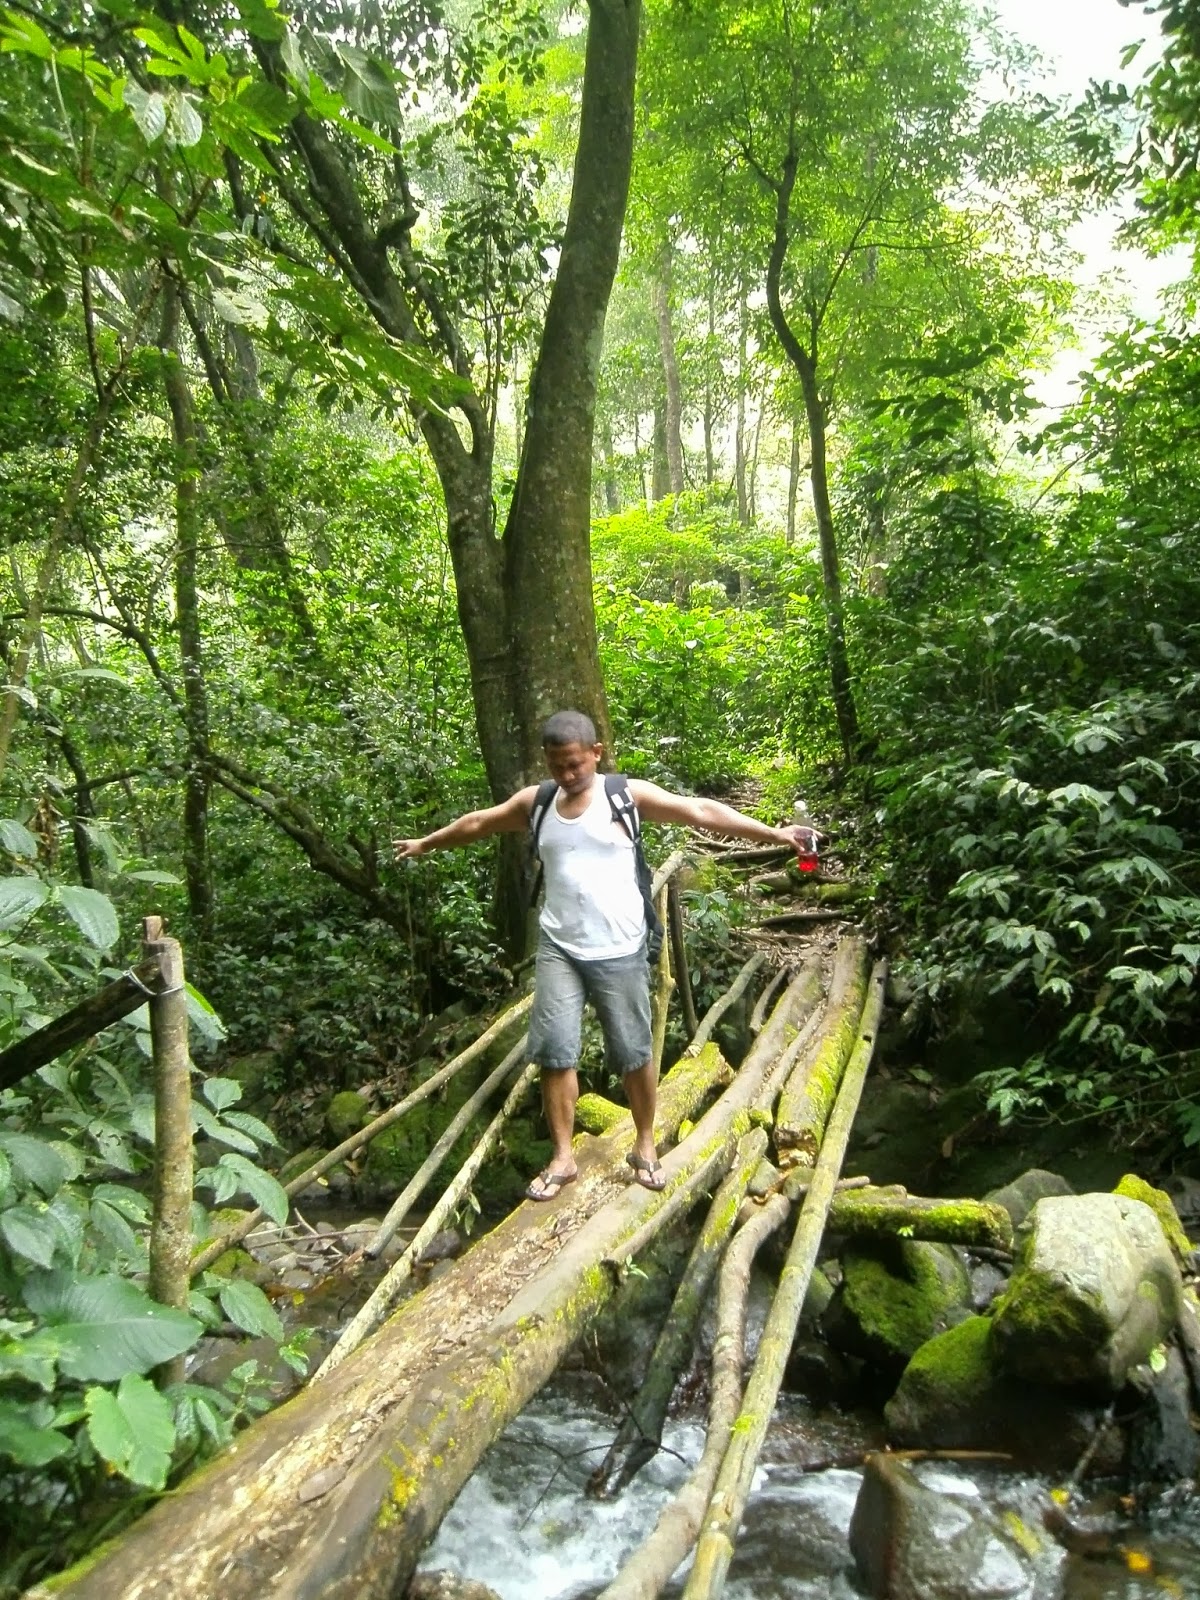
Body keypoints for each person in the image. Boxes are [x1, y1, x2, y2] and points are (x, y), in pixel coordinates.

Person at [393, 710, 816, 1201]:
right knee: (555, 1051)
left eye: (575, 764)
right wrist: (428, 842)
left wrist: (777, 835)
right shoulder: (539, 803)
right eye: (557, 767)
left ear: (596, 753)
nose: (567, 776)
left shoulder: (625, 796)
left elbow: (700, 810)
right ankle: (563, 1157)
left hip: (620, 946)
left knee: (633, 1053)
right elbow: (482, 823)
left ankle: (644, 1145)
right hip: (559, 946)